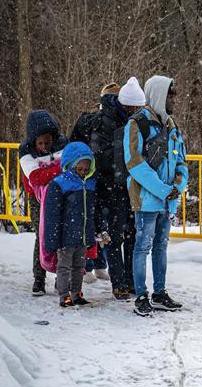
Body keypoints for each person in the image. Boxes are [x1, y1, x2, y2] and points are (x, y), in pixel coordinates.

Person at [71, 79, 146, 300]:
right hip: (124, 184)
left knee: (115, 236)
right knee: (128, 234)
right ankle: (127, 282)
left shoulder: (95, 120)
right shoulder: (128, 121)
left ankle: (121, 283)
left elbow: (77, 146)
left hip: (107, 185)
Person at [123, 75, 188, 316]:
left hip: (166, 200)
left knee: (161, 246)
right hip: (148, 198)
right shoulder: (137, 123)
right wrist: (164, 189)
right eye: (170, 94)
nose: (174, 99)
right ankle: (141, 295)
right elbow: (134, 163)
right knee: (142, 246)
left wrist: (178, 187)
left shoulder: (171, 125)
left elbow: (181, 161)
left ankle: (159, 293)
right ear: (159, 94)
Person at [44, 141, 104, 307]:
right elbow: (52, 215)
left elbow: (91, 212)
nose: (83, 172)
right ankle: (64, 295)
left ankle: (76, 293)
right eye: (80, 169)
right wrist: (53, 238)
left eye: (86, 169)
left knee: (79, 267)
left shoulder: (90, 185)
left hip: (82, 235)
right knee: (63, 267)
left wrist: (93, 233)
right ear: (70, 165)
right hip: (66, 235)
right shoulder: (59, 184)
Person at [18, 110, 67, 296]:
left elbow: (68, 167)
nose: (45, 147)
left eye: (48, 142)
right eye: (41, 143)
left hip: (60, 194)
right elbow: (36, 177)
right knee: (42, 236)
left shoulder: (62, 143)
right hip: (37, 198)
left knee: (61, 234)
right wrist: (57, 167)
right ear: (34, 141)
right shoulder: (26, 151)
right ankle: (39, 278)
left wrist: (50, 170)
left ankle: (60, 276)